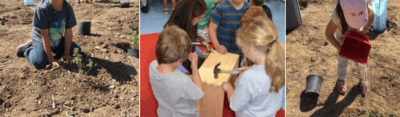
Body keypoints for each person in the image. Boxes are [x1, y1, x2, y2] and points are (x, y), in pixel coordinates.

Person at [222, 16, 285, 117]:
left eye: (243, 48)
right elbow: (262, 75)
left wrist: (229, 88)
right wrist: (250, 69)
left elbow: (234, 105)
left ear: (251, 47)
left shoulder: (247, 78)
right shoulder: (279, 64)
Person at [149, 26, 204, 116]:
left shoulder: (152, 65)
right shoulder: (183, 81)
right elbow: (199, 93)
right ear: (179, 61)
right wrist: (194, 67)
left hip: (164, 113)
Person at [325, 0, 374, 93]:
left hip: (357, 36)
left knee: (361, 60)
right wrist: (340, 49)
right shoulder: (338, 13)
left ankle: (362, 78)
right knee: (342, 60)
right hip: (342, 38)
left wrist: (364, 29)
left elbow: (371, 17)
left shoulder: (363, 4)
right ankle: (341, 79)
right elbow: (328, 34)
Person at [16, 0, 81, 69]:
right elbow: (44, 35)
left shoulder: (68, 8)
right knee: (40, 62)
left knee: (76, 50)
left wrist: (66, 54)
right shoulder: (42, 8)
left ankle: (48, 50)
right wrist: (50, 58)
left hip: (56, 38)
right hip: (41, 38)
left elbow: (68, 31)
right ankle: (27, 49)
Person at [164, 0, 208, 74]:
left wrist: (202, 54)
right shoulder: (171, 33)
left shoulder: (190, 23)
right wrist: (187, 74)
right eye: (199, 17)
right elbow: (172, 62)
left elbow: (191, 45)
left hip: (189, 64)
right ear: (189, 15)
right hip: (178, 68)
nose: (200, 21)